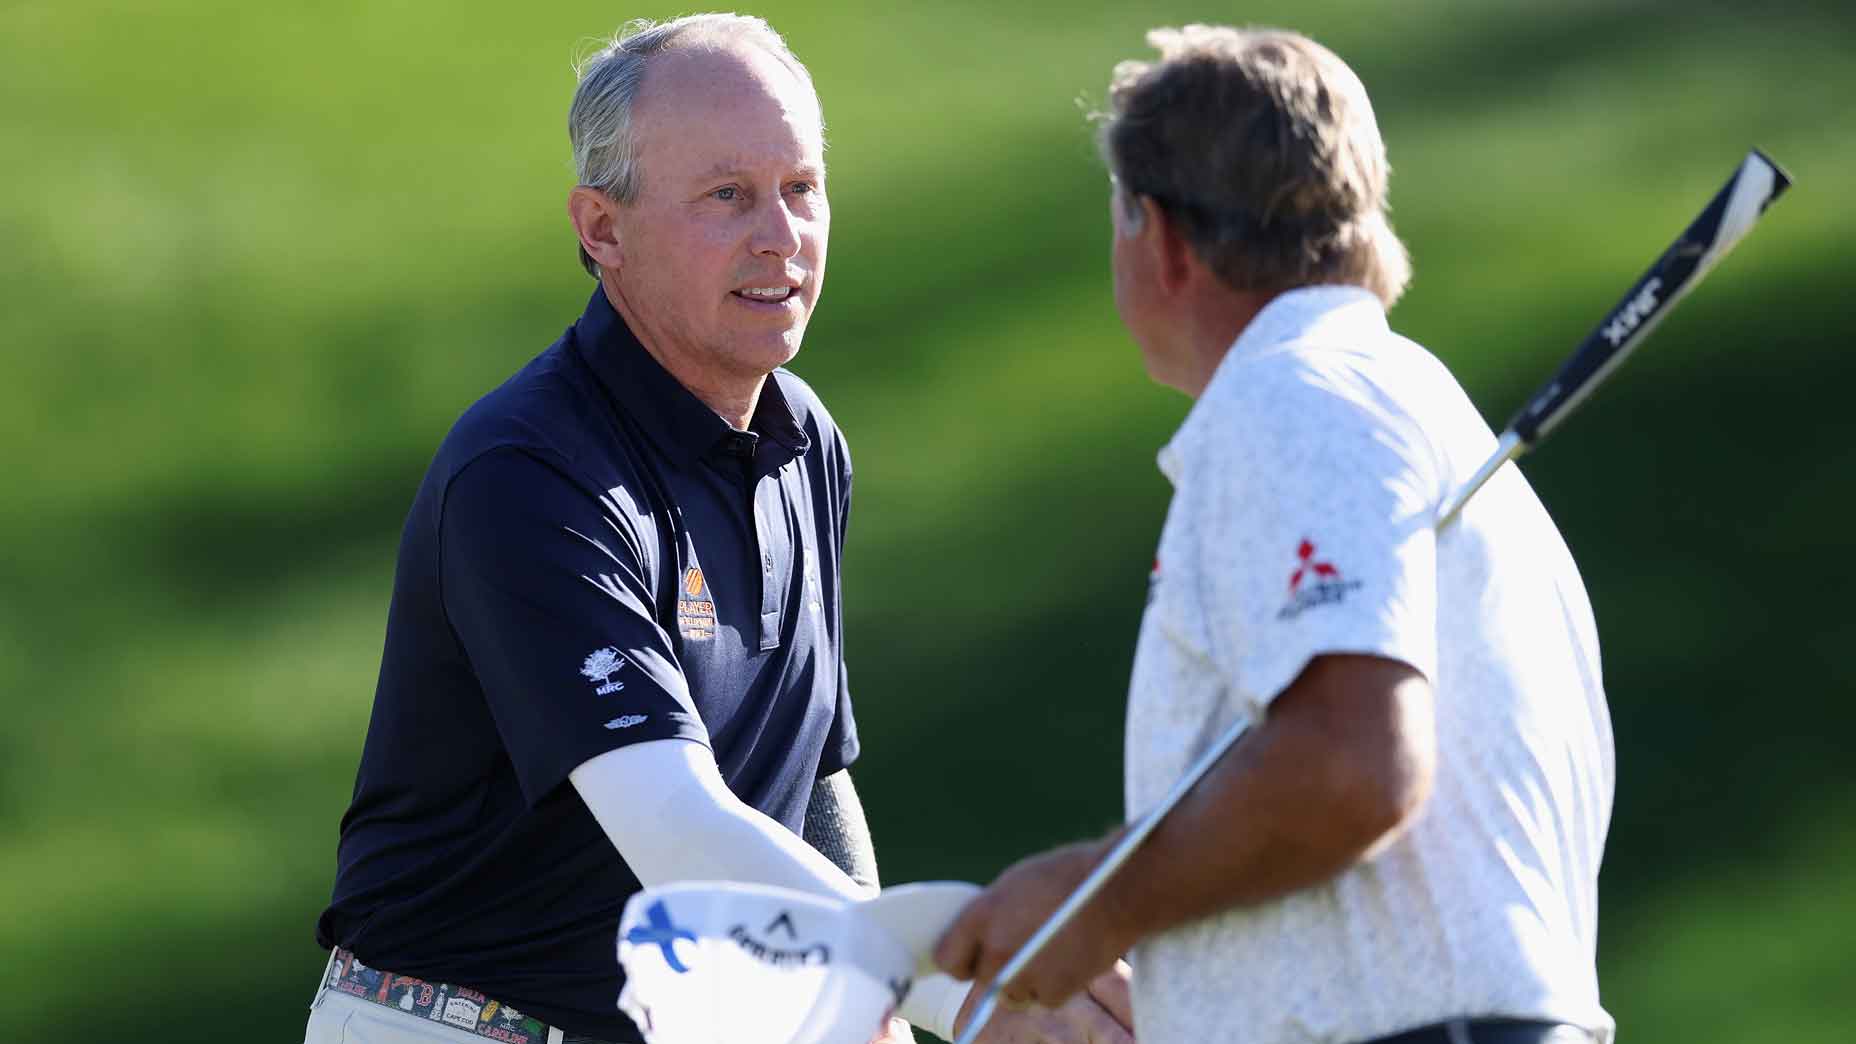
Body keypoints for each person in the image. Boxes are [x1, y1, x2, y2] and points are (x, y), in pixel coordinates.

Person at [303, 15, 1131, 1044]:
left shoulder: (804, 440)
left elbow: (811, 782)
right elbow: (675, 828)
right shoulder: (528, 473)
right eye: (727, 195)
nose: (779, 234)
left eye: (801, 188)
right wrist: (965, 992)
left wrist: (873, 1013)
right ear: (601, 230)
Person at [934, 24, 1616, 1044]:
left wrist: (1099, 899)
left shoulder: (1294, 399)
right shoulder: (1389, 397)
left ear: (1158, 237)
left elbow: (1351, 766)